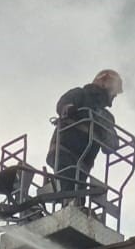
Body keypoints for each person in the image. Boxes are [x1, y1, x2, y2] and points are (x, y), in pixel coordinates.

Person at [46, 70, 123, 199]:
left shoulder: (107, 117)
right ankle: (68, 202)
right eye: (114, 88)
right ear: (103, 82)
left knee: (78, 194)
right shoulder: (80, 94)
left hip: (83, 164)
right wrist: (67, 109)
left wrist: (112, 142)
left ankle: (73, 205)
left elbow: (110, 145)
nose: (115, 94)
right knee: (70, 189)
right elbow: (63, 104)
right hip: (64, 152)